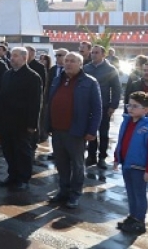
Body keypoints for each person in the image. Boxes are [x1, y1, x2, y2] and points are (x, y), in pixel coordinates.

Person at [47, 52, 102, 209]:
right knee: (61, 163)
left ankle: (75, 194)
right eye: (67, 61)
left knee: (77, 165)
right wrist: (47, 124)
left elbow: (97, 109)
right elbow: (49, 102)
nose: (68, 64)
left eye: (72, 61)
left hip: (76, 131)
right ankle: (63, 191)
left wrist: (92, 130)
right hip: (57, 130)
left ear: (80, 64)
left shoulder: (90, 82)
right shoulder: (58, 79)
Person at [114, 91, 148, 235]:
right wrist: (117, 158)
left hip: (140, 168)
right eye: (129, 105)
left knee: (139, 194)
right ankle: (133, 217)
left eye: (135, 106)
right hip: (127, 164)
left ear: (146, 110)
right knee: (130, 193)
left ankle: (140, 221)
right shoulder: (126, 122)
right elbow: (121, 141)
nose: (131, 108)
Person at [0, 47, 42, 191]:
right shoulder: (8, 74)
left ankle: (23, 178)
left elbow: (35, 103)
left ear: (24, 58)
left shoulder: (32, 76)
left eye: (15, 56)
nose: (12, 58)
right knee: (8, 150)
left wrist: (32, 124)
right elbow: (1, 98)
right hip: (6, 121)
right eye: (11, 56)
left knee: (22, 151)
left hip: (22, 122)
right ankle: (12, 175)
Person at [84, 45, 122, 169]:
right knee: (90, 131)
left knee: (103, 133)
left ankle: (102, 157)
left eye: (96, 52)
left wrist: (113, 106)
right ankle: (91, 156)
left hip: (104, 106)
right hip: (88, 106)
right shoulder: (86, 68)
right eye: (92, 52)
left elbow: (117, 89)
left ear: (103, 55)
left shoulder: (110, 69)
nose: (94, 55)